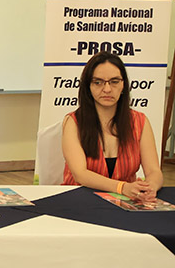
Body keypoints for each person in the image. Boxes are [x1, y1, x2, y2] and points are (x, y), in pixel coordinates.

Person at [61, 52, 162, 201]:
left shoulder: (139, 121)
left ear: (123, 84)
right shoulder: (73, 122)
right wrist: (122, 187)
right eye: (98, 82)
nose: (107, 89)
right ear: (88, 86)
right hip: (79, 199)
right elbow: (80, 174)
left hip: (124, 200)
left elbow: (154, 171)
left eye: (114, 82)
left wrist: (149, 187)